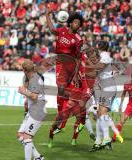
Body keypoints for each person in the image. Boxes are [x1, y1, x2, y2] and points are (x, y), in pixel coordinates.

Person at [45, 9, 84, 146]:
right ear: (70, 22)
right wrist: (47, 15)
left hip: (71, 69)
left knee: (70, 104)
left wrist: (75, 76)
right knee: (61, 89)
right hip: (61, 66)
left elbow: (79, 59)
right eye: (75, 22)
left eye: (79, 23)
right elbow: (51, 29)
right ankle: (59, 124)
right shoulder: (61, 30)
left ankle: (66, 124)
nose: (77, 24)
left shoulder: (79, 40)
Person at [88, 41, 123, 152]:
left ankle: (106, 138)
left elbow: (99, 66)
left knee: (102, 113)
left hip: (109, 88)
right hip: (105, 88)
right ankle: (99, 141)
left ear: (100, 47)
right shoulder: (101, 56)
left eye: (97, 46)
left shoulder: (105, 56)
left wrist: (87, 66)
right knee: (99, 114)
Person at [17, 59, 46, 160]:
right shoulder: (26, 77)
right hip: (31, 110)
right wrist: (26, 101)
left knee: (27, 138)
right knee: (20, 135)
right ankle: (38, 157)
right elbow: (26, 89)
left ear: (23, 70)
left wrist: (23, 93)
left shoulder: (36, 79)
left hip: (38, 111)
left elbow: (34, 97)